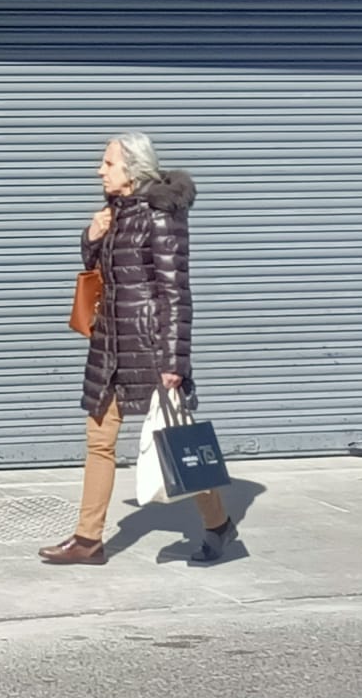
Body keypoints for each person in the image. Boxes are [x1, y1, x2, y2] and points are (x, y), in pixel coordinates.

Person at [39, 133, 238, 567]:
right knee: (99, 438)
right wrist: (91, 237)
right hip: (110, 343)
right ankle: (88, 540)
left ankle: (219, 525)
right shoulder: (116, 212)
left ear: (131, 169)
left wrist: (174, 362)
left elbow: (175, 292)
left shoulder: (160, 214)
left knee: (175, 440)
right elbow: (101, 273)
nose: (99, 170)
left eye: (107, 163)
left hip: (149, 347)